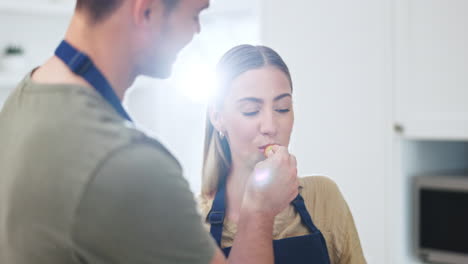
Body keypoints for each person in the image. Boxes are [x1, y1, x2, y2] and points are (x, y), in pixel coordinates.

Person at [0, 1, 300, 264]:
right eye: (195, 14)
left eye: (282, 108)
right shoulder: (130, 163)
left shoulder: (22, 100)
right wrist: (259, 213)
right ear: (146, 10)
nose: (196, 31)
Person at [199, 44, 367, 264]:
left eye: (282, 108)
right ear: (218, 117)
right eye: (251, 110)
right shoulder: (192, 224)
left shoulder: (324, 197)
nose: (270, 126)